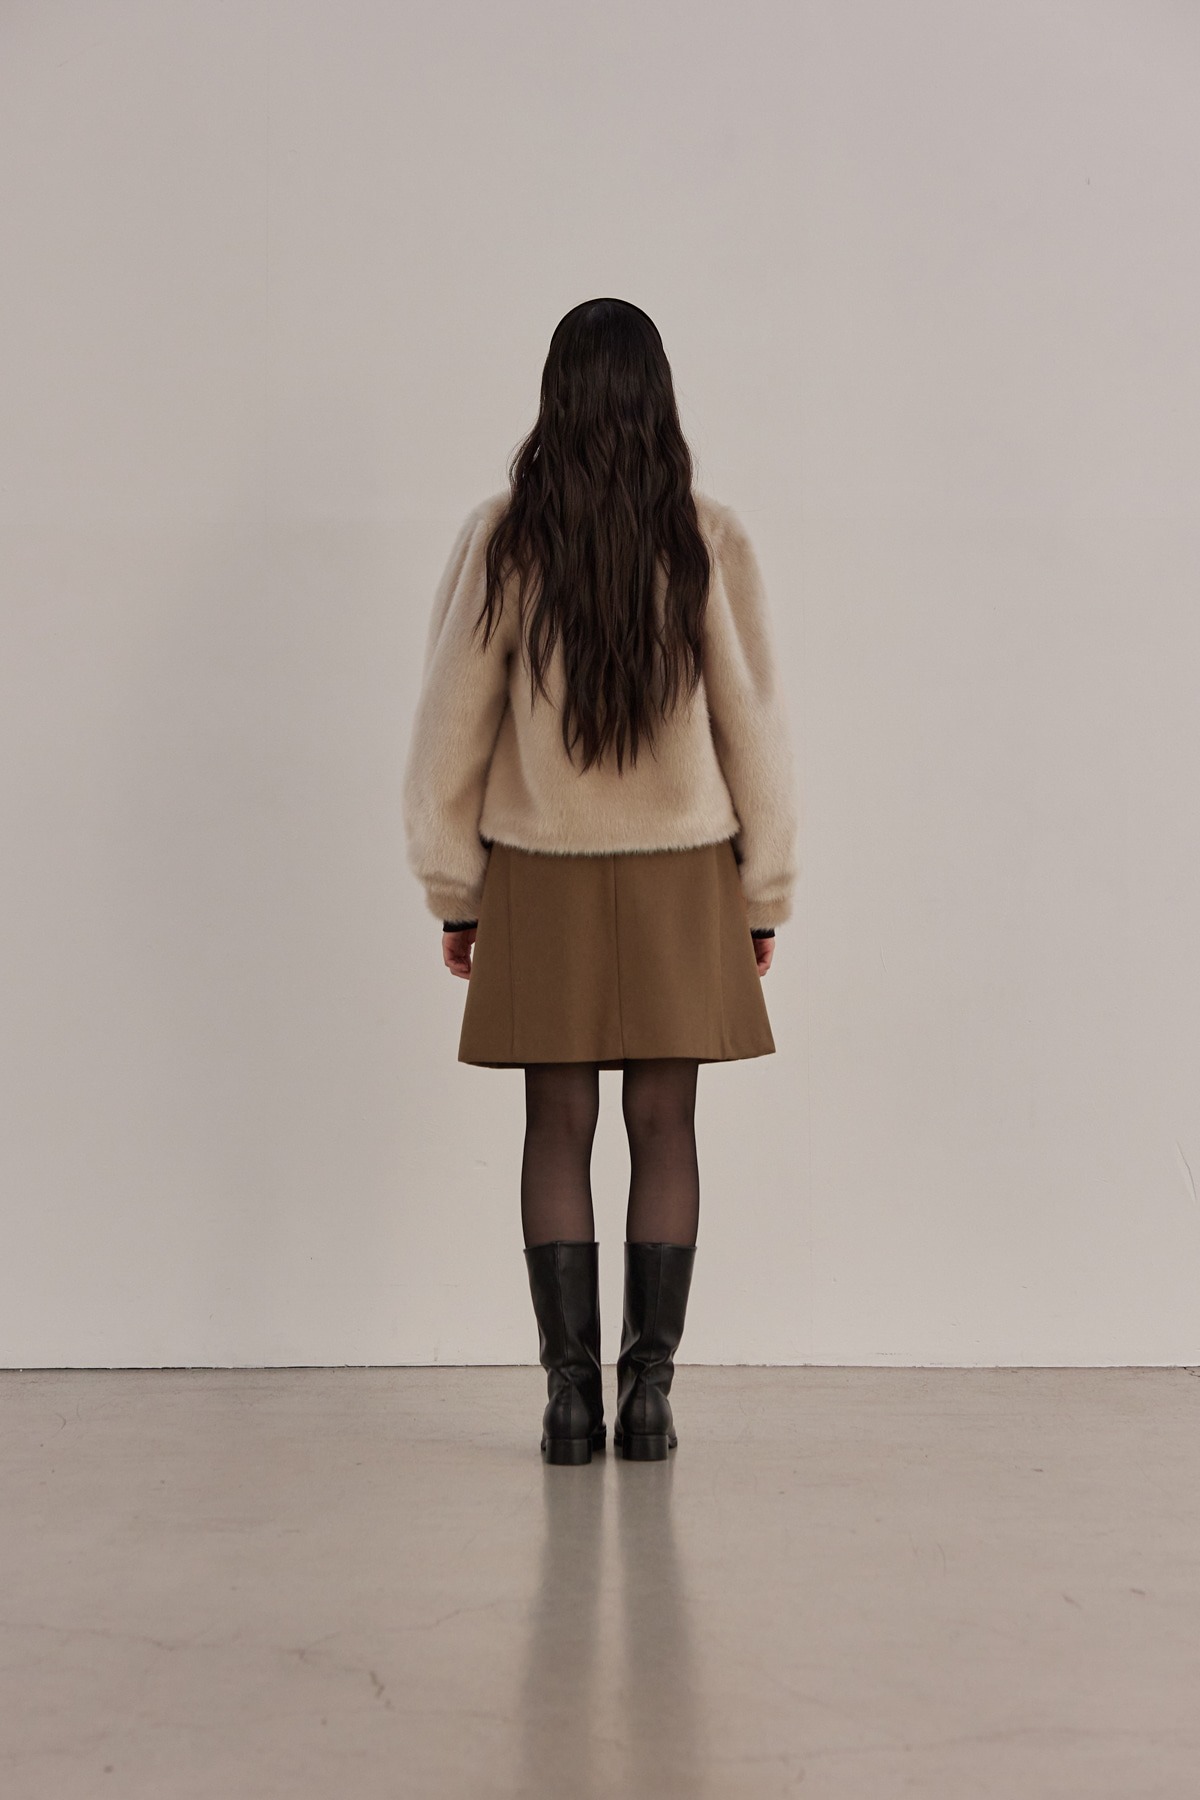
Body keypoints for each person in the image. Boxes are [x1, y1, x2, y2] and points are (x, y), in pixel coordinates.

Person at [402, 298, 800, 1465]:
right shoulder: (703, 536)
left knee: (557, 1124)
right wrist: (763, 894)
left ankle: (570, 1404)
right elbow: (756, 729)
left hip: (540, 875)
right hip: (684, 876)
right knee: (665, 1125)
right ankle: (652, 1399)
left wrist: (455, 890)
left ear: (557, 396)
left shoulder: (505, 539)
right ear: (657, 396)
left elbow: (447, 734)